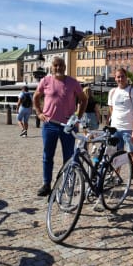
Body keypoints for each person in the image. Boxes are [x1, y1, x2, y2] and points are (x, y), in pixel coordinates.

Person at [33, 56, 88, 197]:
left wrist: (78, 116)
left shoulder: (72, 82)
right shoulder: (45, 81)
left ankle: (68, 184)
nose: (58, 68)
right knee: (47, 156)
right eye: (56, 65)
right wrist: (39, 112)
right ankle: (46, 184)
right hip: (49, 124)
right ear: (51, 67)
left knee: (69, 157)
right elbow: (36, 97)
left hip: (67, 126)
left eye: (61, 65)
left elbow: (83, 99)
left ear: (65, 66)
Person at [107, 68, 133, 190]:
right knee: (116, 155)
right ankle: (116, 176)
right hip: (116, 128)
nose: (120, 79)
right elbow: (112, 109)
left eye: (122, 76)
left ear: (126, 77)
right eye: (118, 77)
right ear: (115, 78)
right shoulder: (112, 92)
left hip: (128, 128)